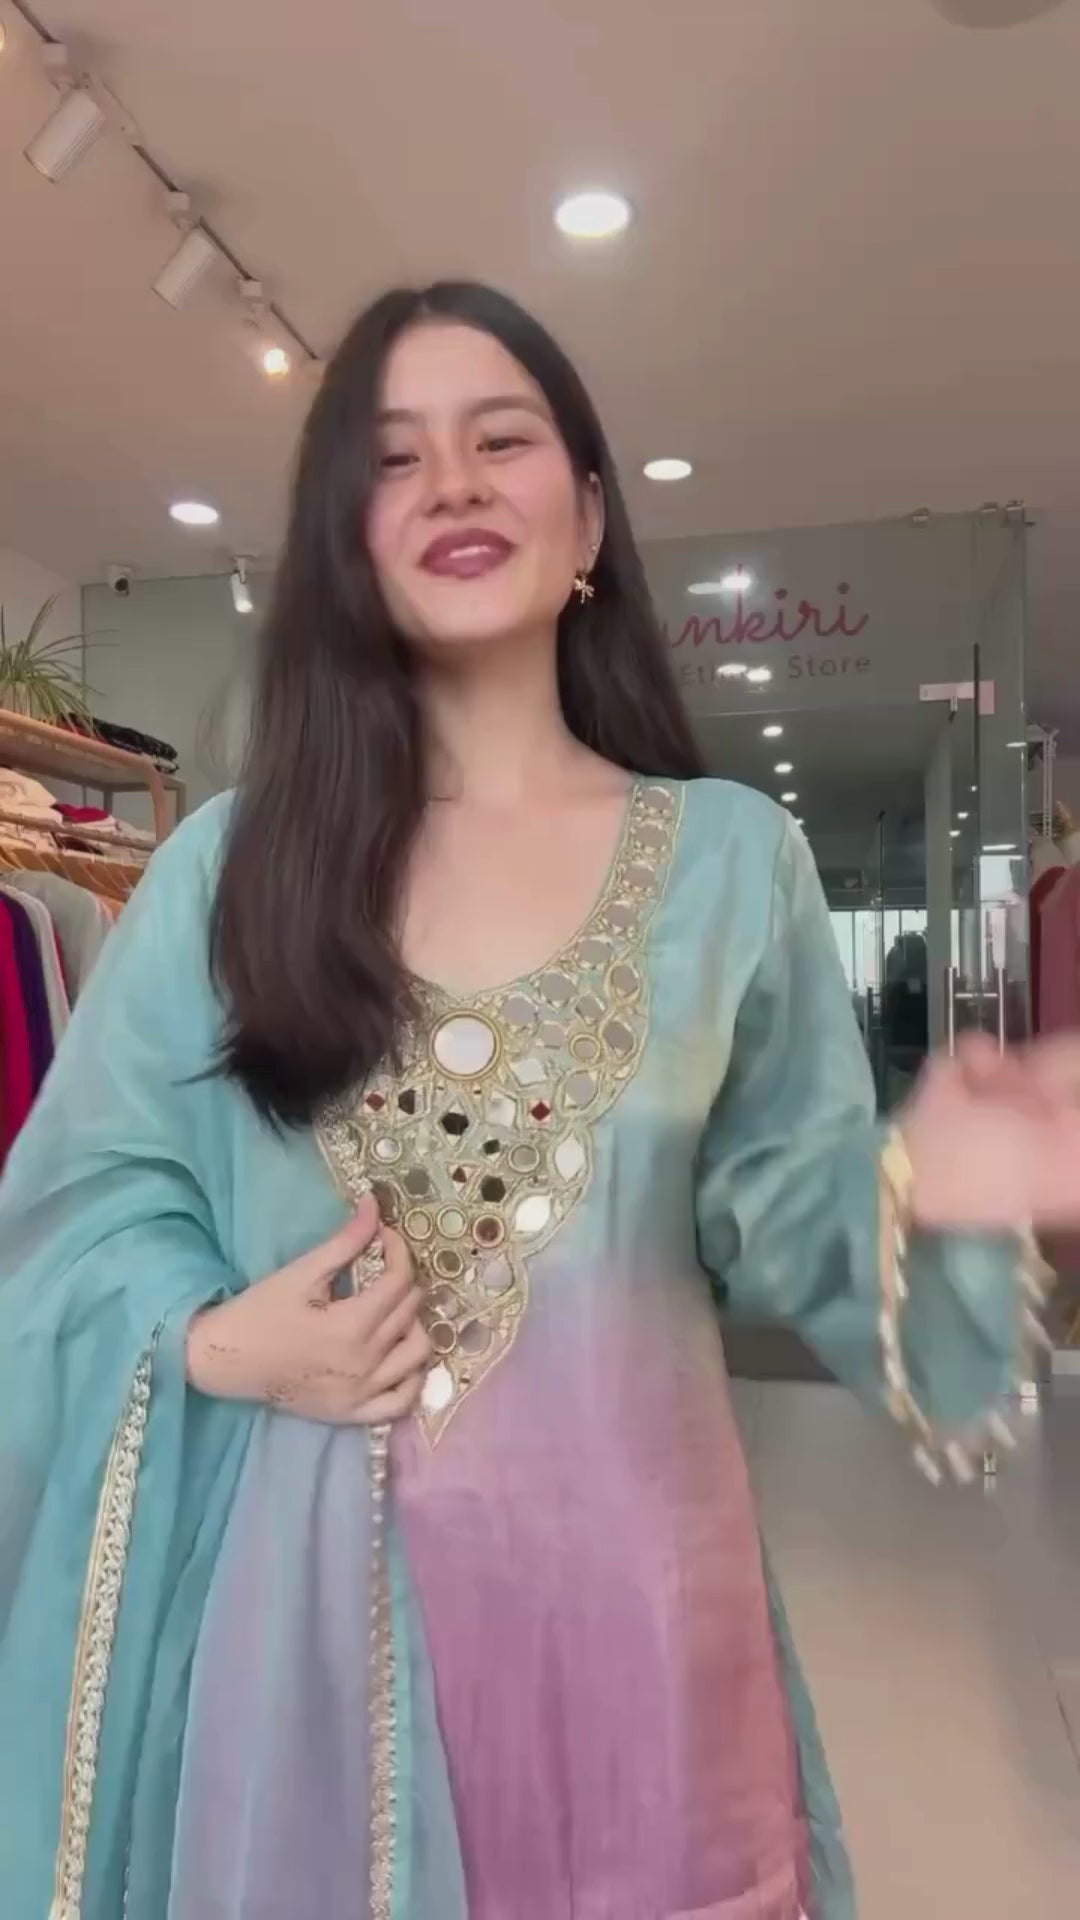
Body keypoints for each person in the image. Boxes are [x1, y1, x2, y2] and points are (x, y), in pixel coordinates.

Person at [1, 283, 1078, 1920]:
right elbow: (73, 1214)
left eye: (499, 439)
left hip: (642, 1633)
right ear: (344, 543)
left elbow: (797, 1224)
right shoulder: (231, 870)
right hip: (308, 1663)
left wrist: (948, 1186)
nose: (452, 481)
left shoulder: (731, 860)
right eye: (393, 457)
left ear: (586, 519)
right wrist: (217, 1344)